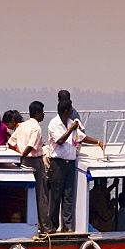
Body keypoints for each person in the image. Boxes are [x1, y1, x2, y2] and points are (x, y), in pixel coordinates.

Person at [47, 99, 105, 233]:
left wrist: (97, 142)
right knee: (56, 196)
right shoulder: (54, 124)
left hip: (70, 163)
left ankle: (67, 225)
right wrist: (71, 129)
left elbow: (81, 138)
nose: (72, 111)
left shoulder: (69, 123)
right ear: (65, 111)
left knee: (68, 196)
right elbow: (60, 141)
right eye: (70, 109)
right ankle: (53, 225)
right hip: (58, 163)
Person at [8, 101, 52, 234]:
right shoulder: (36, 128)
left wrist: (18, 156)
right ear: (37, 113)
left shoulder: (22, 126)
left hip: (22, 162)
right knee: (41, 195)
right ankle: (46, 227)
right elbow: (31, 146)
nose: (43, 115)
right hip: (34, 161)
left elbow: (10, 143)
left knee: (24, 193)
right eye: (42, 112)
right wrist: (23, 155)